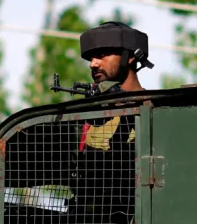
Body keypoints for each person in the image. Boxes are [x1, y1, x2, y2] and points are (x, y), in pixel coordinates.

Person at [66, 21, 155, 224]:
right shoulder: (85, 120)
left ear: (130, 57)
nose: (93, 64)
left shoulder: (156, 112)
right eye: (90, 58)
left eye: (103, 55)